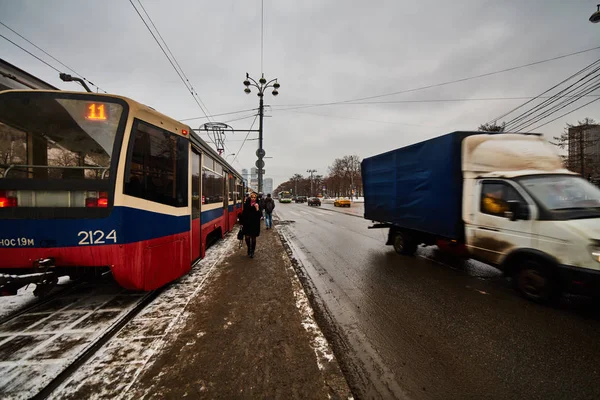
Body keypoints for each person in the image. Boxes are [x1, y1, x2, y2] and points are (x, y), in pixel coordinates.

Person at [240, 192, 262, 258]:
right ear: (250, 197)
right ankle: (249, 248)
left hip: (255, 223)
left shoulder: (258, 204)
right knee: (247, 238)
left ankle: (252, 251)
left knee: (253, 238)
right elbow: (243, 213)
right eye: (252, 197)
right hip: (247, 223)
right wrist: (241, 222)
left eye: (254, 197)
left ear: (256, 198)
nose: (253, 198)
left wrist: (257, 209)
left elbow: (260, 216)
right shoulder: (246, 204)